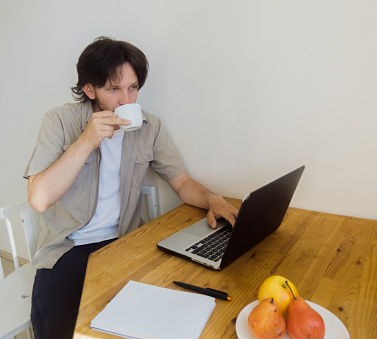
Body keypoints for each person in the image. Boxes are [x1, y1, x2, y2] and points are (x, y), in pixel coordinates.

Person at [24, 36, 238, 338]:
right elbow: (39, 198)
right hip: (68, 250)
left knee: (159, 321)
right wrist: (86, 141)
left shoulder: (149, 127)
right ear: (89, 89)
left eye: (133, 87)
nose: (127, 101)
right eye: (114, 89)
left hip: (126, 241)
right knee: (63, 331)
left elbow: (183, 182)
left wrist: (212, 198)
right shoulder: (59, 121)